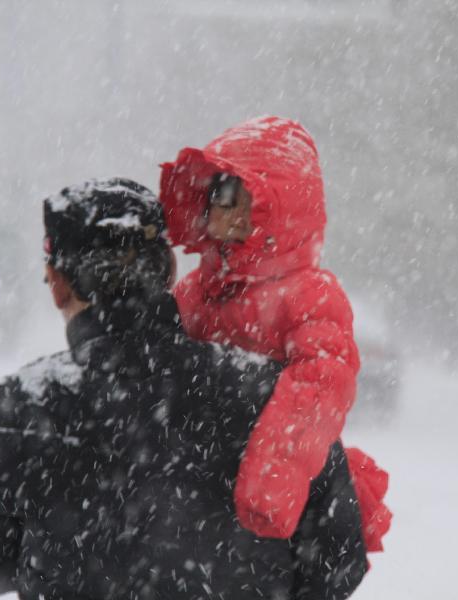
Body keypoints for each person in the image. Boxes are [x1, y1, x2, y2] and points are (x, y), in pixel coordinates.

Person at [0, 178, 368, 600]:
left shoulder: (14, 408)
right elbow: (339, 559)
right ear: (169, 270)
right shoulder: (272, 396)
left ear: (58, 283)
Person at [160, 116, 391, 551]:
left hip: (275, 505)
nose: (219, 208)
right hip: (201, 492)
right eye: (214, 193)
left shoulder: (308, 294)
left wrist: (271, 480)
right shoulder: (196, 290)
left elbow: (321, 385)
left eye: (233, 194)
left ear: (277, 207)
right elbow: (163, 362)